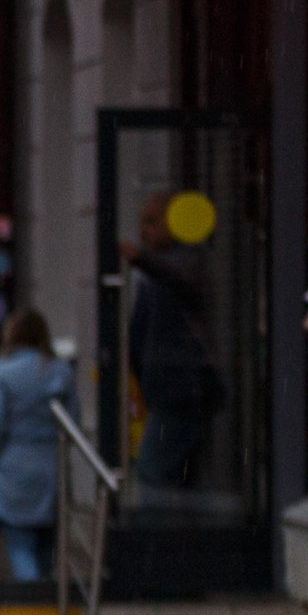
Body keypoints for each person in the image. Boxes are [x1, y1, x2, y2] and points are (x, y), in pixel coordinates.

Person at [121, 193, 221, 491]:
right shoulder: (157, 273)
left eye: (152, 223)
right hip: (163, 387)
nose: (144, 233)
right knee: (173, 473)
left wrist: (142, 259)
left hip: (180, 388)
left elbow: (181, 281)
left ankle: (158, 536)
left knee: (153, 471)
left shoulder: (189, 261)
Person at [0, 308, 77, 583]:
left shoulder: (3, 372)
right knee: (47, 545)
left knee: (20, 544)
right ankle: (47, 598)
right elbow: (73, 422)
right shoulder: (61, 371)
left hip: (15, 463)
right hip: (52, 465)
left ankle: (32, 599)